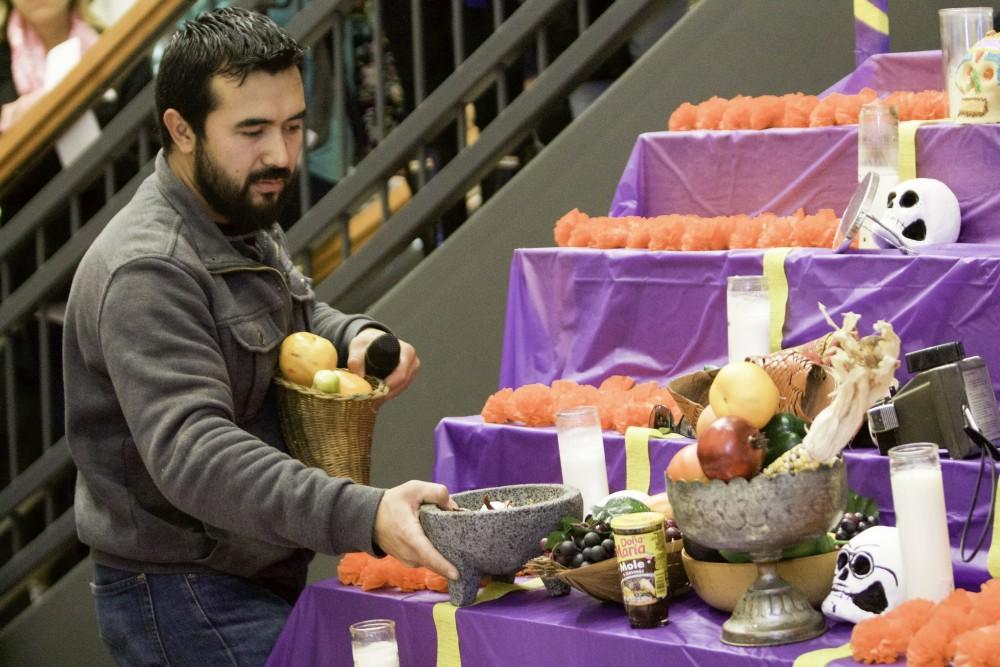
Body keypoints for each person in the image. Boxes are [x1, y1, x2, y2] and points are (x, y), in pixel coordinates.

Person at [63, 7, 457, 665]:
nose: (281, 153)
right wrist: (365, 513)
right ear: (180, 129)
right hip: (183, 592)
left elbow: (297, 317)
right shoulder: (149, 267)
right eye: (253, 130)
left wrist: (361, 337)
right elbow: (198, 454)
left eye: (294, 126)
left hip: (247, 568)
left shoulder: (234, 210)